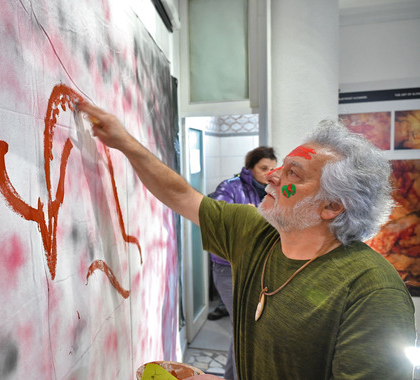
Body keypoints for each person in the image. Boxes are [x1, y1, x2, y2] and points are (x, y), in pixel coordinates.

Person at [77, 101, 416, 379]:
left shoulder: (372, 293)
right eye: (280, 166)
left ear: (330, 207)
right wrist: (124, 141)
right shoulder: (256, 232)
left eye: (292, 173)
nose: (272, 175)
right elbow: (181, 196)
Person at [206, 146, 277, 380]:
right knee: (247, 330)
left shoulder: (275, 191)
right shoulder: (231, 186)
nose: (269, 173)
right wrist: (243, 213)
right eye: (263, 168)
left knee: (241, 329)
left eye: (273, 168)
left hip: (257, 266)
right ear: (250, 168)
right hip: (229, 268)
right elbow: (217, 215)